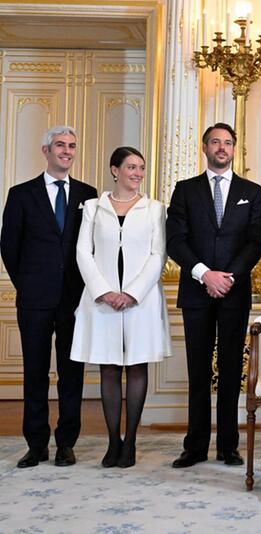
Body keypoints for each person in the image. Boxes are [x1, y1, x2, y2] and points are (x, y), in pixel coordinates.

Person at [166, 122, 261, 468]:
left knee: (229, 370)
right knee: (198, 371)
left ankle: (228, 446)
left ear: (233, 149)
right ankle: (194, 447)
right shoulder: (185, 190)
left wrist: (229, 278)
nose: (221, 147)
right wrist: (204, 274)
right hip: (196, 291)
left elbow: (256, 241)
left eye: (227, 143)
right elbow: (175, 240)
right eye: (214, 142)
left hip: (234, 293)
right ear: (205, 148)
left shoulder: (251, 191)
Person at [0, 126, 98, 468]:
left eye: (72, 145)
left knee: (72, 374)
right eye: (60, 145)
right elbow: (9, 247)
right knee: (36, 373)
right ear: (46, 150)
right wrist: (27, 285)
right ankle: (36, 444)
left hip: (74, 299)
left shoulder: (89, 195)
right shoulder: (21, 194)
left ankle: (66, 444)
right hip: (34, 299)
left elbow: (93, 247)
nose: (67, 151)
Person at [70, 146, 171, 468]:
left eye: (141, 167)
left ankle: (131, 442)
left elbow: (159, 255)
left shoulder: (155, 208)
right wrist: (104, 291)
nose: (137, 173)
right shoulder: (93, 208)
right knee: (109, 367)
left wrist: (131, 293)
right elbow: (83, 252)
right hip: (101, 301)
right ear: (115, 170)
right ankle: (113, 441)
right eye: (131, 167)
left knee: (137, 367)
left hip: (140, 301)